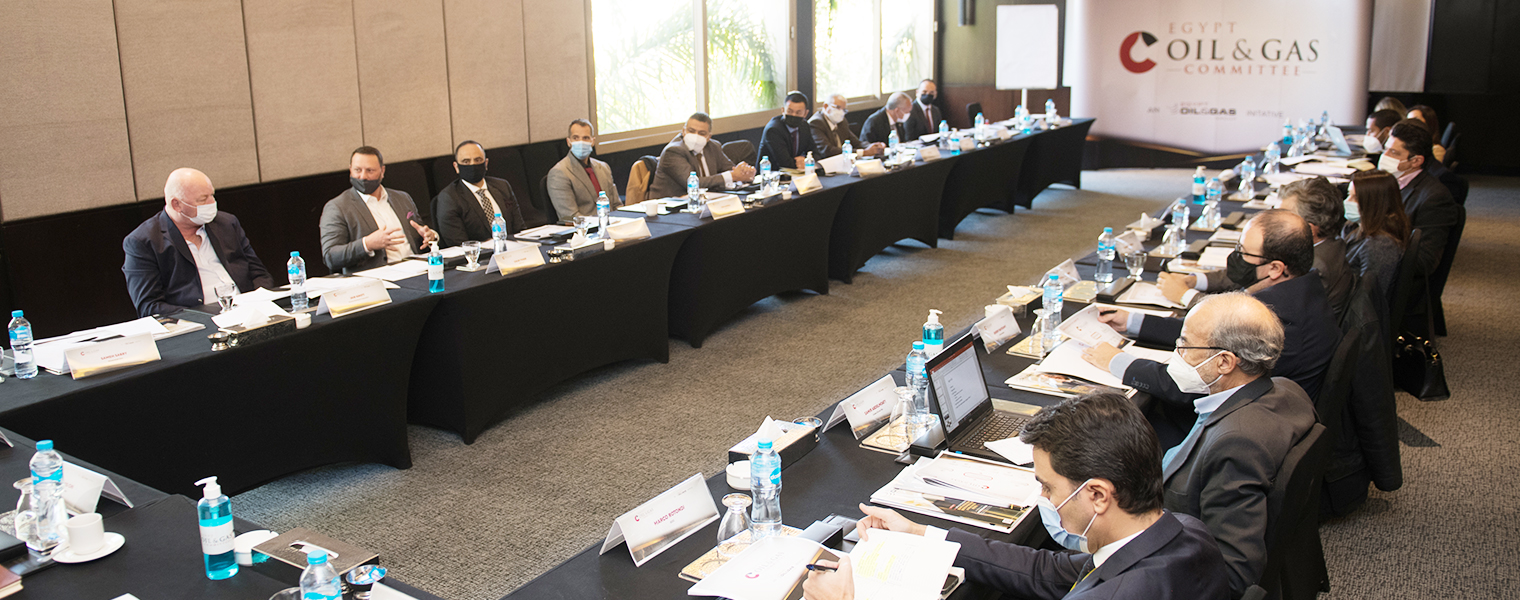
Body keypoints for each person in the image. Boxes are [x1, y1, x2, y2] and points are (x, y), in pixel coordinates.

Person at [802, 392, 1231, 600]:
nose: (1041, 495)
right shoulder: (1185, 533)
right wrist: (921, 534)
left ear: (1098, 495)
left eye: (1048, 486)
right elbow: (1050, 570)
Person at [1144, 293, 1315, 596]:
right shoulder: (1289, 391)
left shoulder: (1235, 445)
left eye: (1185, 346)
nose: (1176, 353)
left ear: (1224, 362)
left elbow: (1233, 572)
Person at [1085, 210, 1340, 404]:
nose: (1236, 258)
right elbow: (1207, 331)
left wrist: (1118, 362)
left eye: (1244, 253)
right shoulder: (1304, 289)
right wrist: (1134, 322)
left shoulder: (1277, 319)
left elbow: (1198, 384)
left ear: (1275, 268)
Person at [123, 168, 274, 317]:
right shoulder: (143, 242)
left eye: (212, 195)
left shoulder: (226, 223)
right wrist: (203, 315)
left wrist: (260, 303)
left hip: (249, 312)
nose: (212, 203)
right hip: (198, 320)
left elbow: (259, 274)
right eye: (202, 199)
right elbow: (149, 305)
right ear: (176, 205)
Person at [319, 147, 436, 274]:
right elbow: (330, 256)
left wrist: (429, 236)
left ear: (382, 171)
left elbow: (421, 233)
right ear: (350, 169)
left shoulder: (402, 198)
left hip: (417, 270)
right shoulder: (337, 207)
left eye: (370, 170)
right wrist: (367, 244)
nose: (363, 176)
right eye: (357, 170)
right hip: (377, 278)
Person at [1275, 177, 1355, 321]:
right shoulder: (1334, 244)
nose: (1272, 223)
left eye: (1283, 218)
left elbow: (1283, 314)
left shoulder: (1313, 267)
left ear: (1308, 230)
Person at [432, 140, 530, 248]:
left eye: (478, 160)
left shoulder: (502, 186)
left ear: (486, 163)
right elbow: (459, 243)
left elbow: (519, 229)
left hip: (513, 250)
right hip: (478, 255)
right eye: (466, 162)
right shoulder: (449, 198)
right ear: (456, 167)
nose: (472, 165)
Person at [647, 112, 757, 199]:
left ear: (709, 137)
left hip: (704, 201)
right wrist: (733, 176)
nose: (695, 136)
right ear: (684, 131)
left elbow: (731, 170)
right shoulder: (674, 151)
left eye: (701, 133)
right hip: (669, 206)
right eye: (691, 131)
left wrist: (745, 172)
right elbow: (693, 183)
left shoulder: (713, 146)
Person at [1343, 170, 1410, 306]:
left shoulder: (1380, 245)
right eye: (1349, 195)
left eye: (1355, 198)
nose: (1346, 202)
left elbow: (1368, 299)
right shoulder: (1358, 228)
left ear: (1374, 204)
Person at [547, 119, 620, 220]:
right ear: (568, 142)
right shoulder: (559, 173)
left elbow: (616, 205)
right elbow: (570, 216)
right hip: (585, 227)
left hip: (612, 224)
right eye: (576, 138)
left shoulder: (603, 167)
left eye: (585, 138)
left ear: (592, 141)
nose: (581, 142)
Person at [758, 91, 821, 171]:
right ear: (783, 110)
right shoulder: (773, 130)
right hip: (773, 174)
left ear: (805, 113)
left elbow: (816, 153)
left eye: (798, 113)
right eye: (790, 111)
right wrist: (806, 161)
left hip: (797, 173)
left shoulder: (804, 126)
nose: (793, 115)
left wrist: (805, 159)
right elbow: (785, 163)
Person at [809, 93, 884, 159]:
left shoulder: (841, 121)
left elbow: (856, 142)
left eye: (843, 109)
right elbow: (827, 151)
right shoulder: (816, 123)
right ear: (825, 106)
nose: (841, 112)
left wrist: (873, 147)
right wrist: (863, 152)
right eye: (838, 107)